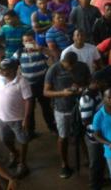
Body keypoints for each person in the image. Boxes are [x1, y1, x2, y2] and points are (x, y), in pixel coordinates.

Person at [44, 51, 91, 179]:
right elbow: (46, 92)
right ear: (62, 60)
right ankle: (64, 164)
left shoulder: (83, 66)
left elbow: (90, 83)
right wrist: (62, 93)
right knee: (63, 136)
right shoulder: (54, 69)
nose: (68, 68)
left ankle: (88, 159)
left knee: (82, 134)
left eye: (71, 66)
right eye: (66, 65)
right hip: (62, 108)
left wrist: (82, 88)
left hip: (81, 107)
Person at [0, 58, 32, 178]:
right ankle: (15, 153)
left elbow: (28, 101)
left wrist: (26, 118)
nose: (2, 71)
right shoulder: (0, 79)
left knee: (23, 140)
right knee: (4, 140)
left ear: (15, 69)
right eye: (1, 69)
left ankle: (22, 163)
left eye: (6, 69)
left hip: (18, 119)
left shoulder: (22, 82)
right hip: (2, 118)